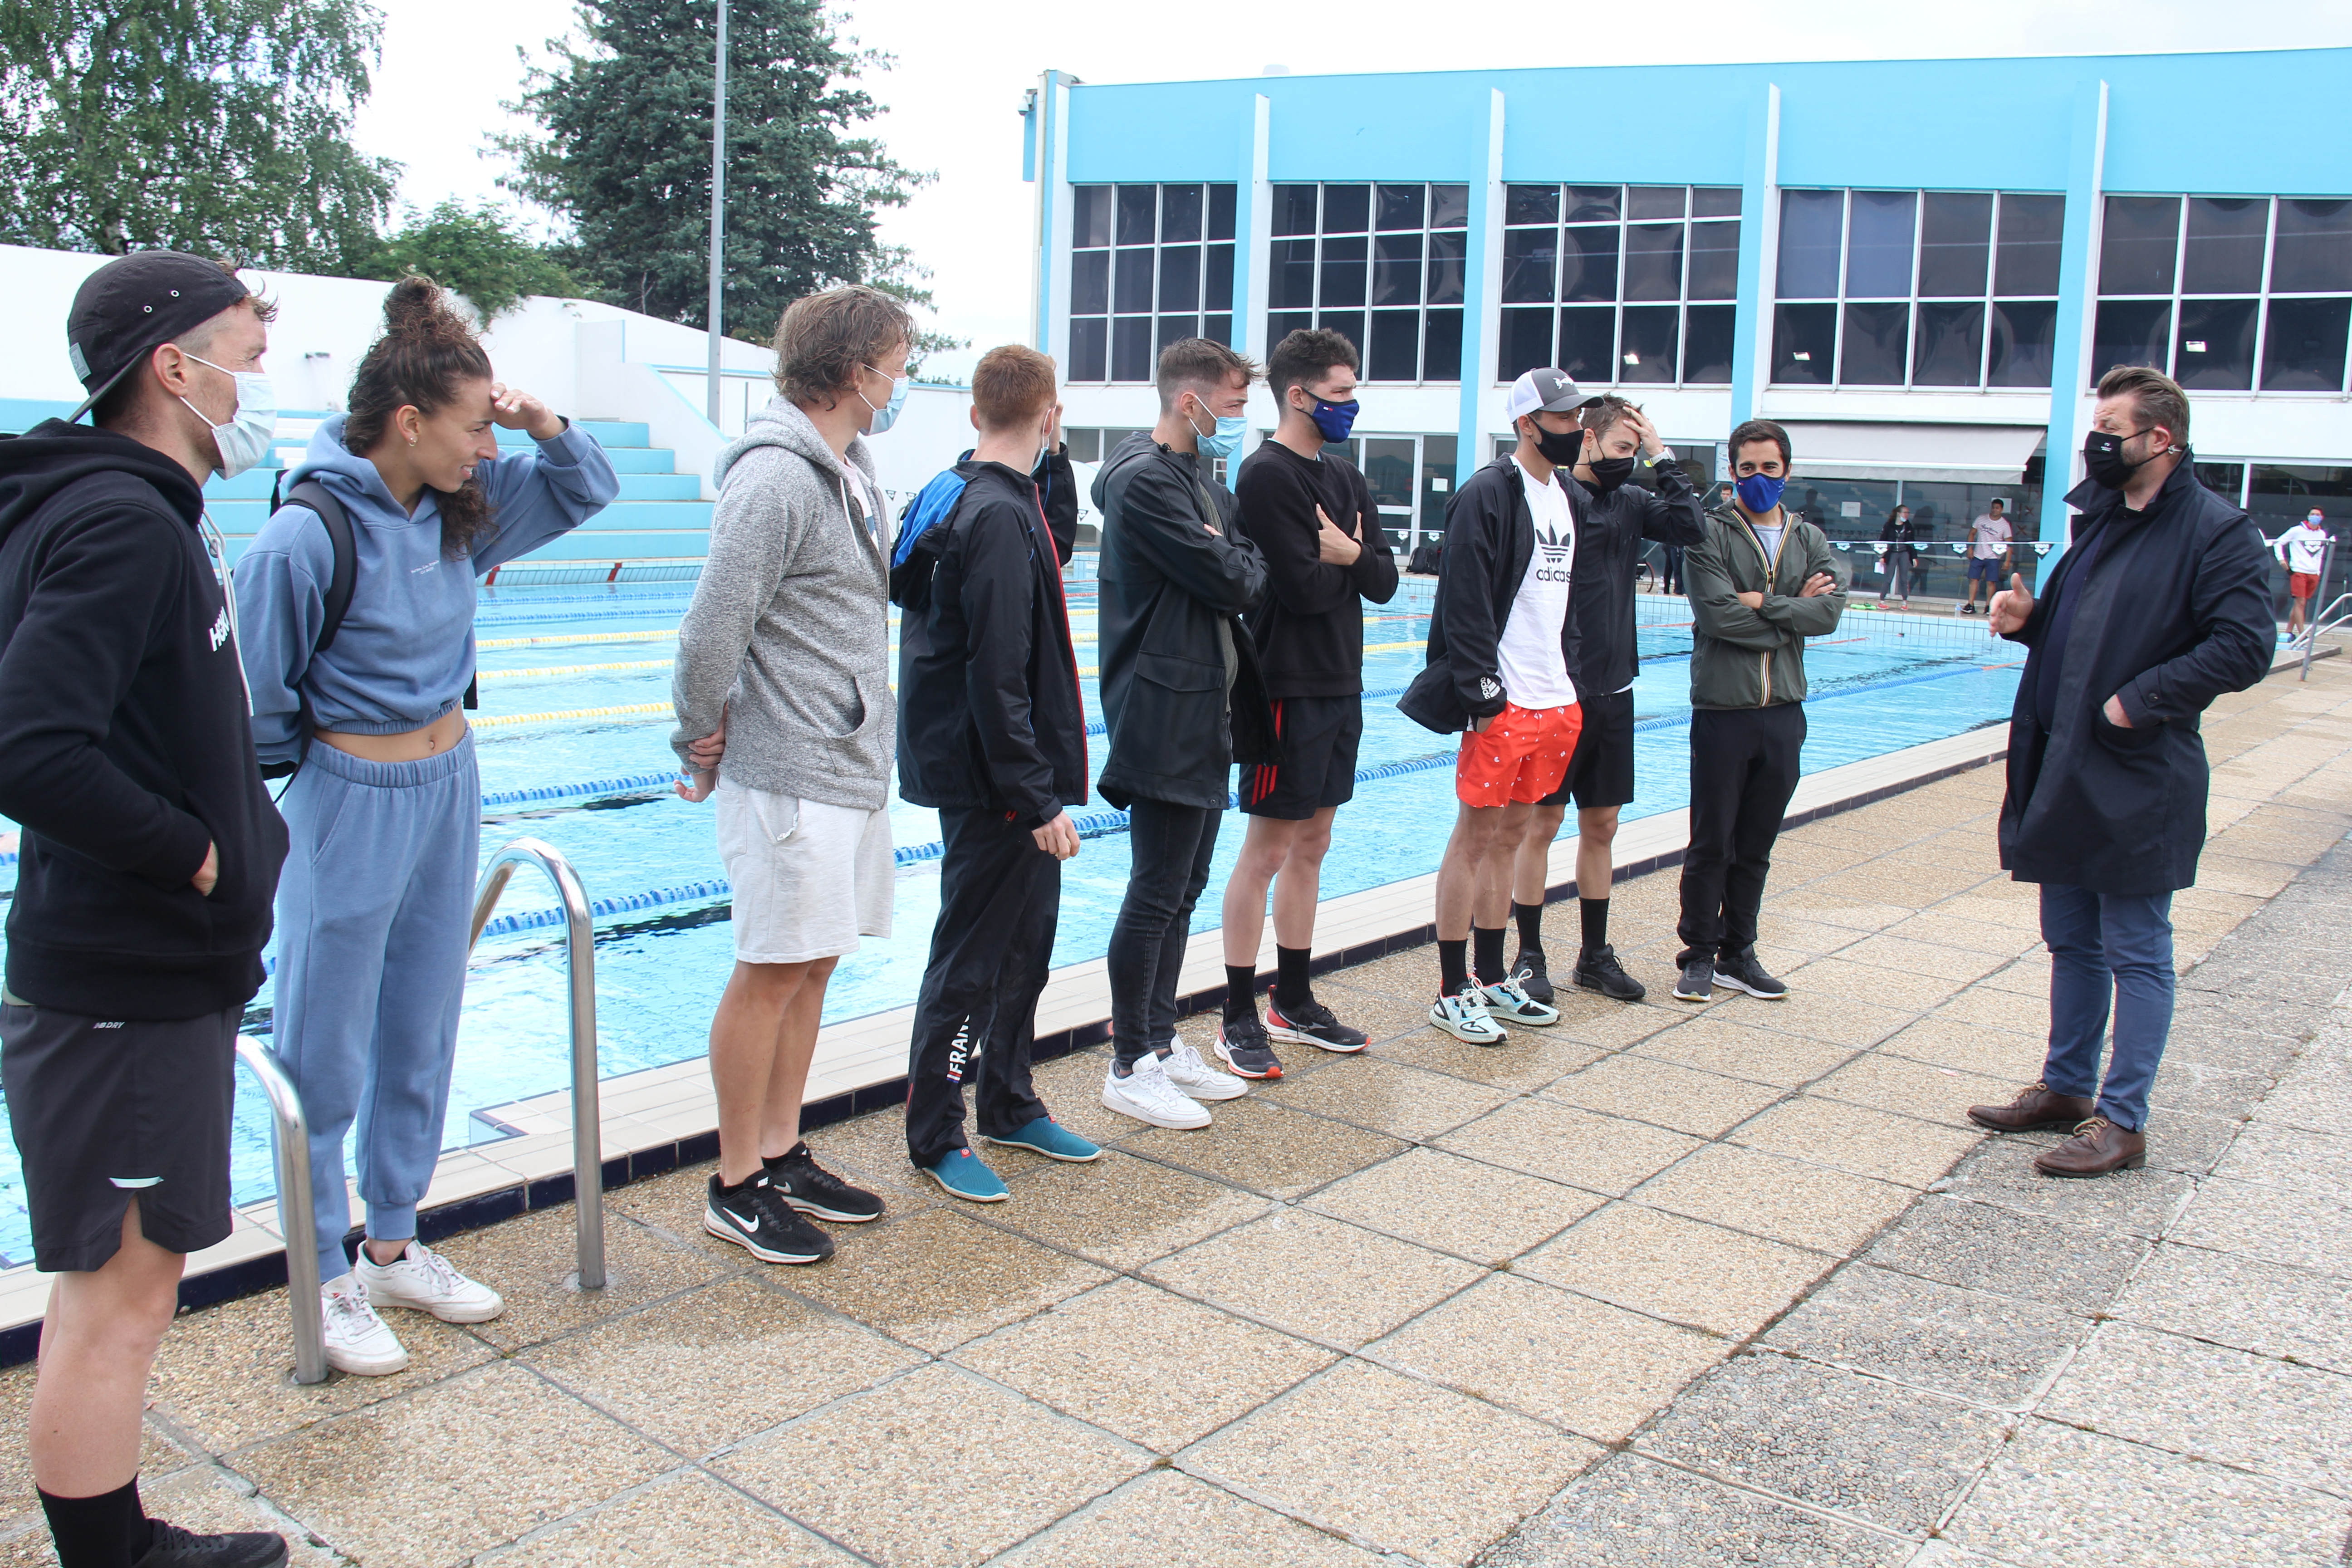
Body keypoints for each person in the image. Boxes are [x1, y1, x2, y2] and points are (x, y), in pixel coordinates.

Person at [236, 277, 618, 1373]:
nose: (486, 450)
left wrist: (535, 415)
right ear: (407, 423)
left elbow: (581, 486)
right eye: (470, 429)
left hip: (450, 780)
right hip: (350, 797)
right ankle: (325, 1273)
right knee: (320, 1041)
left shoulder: (461, 507)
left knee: (423, 1022)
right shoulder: (306, 536)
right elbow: (259, 697)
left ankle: (396, 1237)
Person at [0, 251, 293, 1567]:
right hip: (125, 979)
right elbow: (27, 745)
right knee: (117, 1299)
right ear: (176, 368)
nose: (263, 369)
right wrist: (199, 859)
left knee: (122, 1288)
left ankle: (115, 1540)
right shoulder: (123, 521)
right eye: (244, 341)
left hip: (144, 974)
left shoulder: (138, 507)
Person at [1968, 366, 2273, 1177]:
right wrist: (2031, 624)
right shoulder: (2100, 521)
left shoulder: (2214, 530)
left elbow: (2244, 646)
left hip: (2138, 773)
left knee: (2134, 947)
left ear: (2158, 439)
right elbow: (2079, 634)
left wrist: (2135, 702)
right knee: (2069, 937)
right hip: (2063, 763)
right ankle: (2065, 1087)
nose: (2094, 444)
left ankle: (2122, 1118)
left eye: (2109, 428)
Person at [671, 286, 909, 1260]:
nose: (903, 379)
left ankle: (780, 1149)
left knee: (813, 964)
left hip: (845, 761)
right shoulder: (773, 479)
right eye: (897, 361)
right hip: (786, 768)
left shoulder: (851, 469)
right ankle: (734, 1181)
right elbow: (710, 628)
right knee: (771, 968)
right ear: (855, 373)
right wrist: (696, 734)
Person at [892, 344, 1098, 1200]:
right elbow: (995, 672)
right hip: (995, 786)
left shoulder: (979, 495)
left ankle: (1008, 1100)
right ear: (1049, 419)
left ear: (975, 414)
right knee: (970, 959)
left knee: (1027, 946)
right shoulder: (994, 518)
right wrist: (1034, 796)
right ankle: (937, 1134)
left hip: (1000, 775)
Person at [1093, 337, 1273, 1126]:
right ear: (1188, 402)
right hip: (1163, 709)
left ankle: (1160, 1043)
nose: (1239, 421)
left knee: (1185, 887)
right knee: (1156, 888)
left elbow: (1244, 564)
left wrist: (1231, 554)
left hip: (1205, 706)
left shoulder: (1195, 476)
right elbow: (1237, 575)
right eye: (1232, 407)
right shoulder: (1142, 485)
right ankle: (1129, 1061)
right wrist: (1230, 555)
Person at [1214, 328, 1399, 1077]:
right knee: (1265, 850)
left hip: (1340, 683)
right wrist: (1346, 568)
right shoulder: (1265, 476)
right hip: (1285, 686)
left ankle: (1292, 998)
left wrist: (1349, 555)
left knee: (1314, 845)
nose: (1350, 406)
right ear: (1298, 394)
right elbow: (1296, 588)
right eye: (1340, 393)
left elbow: (1384, 580)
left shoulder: (1346, 479)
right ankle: (1235, 1013)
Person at [1400, 368, 1598, 1044]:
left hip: (1555, 698)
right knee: (1475, 837)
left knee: (1513, 838)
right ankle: (1452, 988)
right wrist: (1483, 692)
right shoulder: (1488, 492)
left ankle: (1490, 979)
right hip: (1505, 700)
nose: (1577, 431)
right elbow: (1464, 599)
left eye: (1578, 419)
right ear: (1526, 424)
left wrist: (1570, 678)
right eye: (1566, 419)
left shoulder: (1567, 492)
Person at [1499, 394, 1703, 1005]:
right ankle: (1528, 954)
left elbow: (1692, 527)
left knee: (1603, 823)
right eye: (1622, 448)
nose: (1629, 461)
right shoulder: (1551, 496)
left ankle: (1594, 955)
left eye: (1635, 452)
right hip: (1553, 689)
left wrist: (1662, 456)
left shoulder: (1634, 501)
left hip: (1613, 687)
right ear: (1585, 439)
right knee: (1542, 823)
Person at [1673, 419, 1846, 1004]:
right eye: (1747, 468)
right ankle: (1697, 953)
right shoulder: (1710, 533)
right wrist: (1792, 611)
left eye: (1769, 468)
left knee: (1757, 843)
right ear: (1732, 471)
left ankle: (1738, 953)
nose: (1758, 478)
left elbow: (1830, 617)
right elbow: (1720, 617)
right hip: (1725, 709)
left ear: (1787, 471)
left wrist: (1764, 603)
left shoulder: (1808, 538)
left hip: (1785, 713)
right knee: (1711, 840)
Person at [2274, 506, 2331, 640]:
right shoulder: (2297, 531)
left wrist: (2318, 571)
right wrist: (2282, 561)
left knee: (2300, 603)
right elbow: (2279, 543)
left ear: (2322, 518)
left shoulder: (2322, 534)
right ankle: (2303, 635)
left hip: (2313, 573)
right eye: (2313, 514)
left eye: (2318, 515)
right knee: (2301, 603)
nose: (2315, 517)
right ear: (2308, 516)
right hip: (2299, 571)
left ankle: (2288, 631)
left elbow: (2320, 554)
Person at [1961, 499, 2014, 614]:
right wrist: (1970, 548)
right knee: (1973, 579)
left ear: (2002, 510)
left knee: (1991, 582)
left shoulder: (2004, 524)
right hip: (1978, 555)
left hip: (1994, 557)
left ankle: (1989, 606)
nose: (1995, 510)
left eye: (1998, 508)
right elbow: (1972, 533)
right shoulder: (1981, 518)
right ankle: (1970, 604)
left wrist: (2007, 560)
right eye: (1993, 507)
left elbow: (2009, 544)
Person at [1877, 503, 1922, 606]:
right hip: (1892, 553)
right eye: (1905, 513)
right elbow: (1883, 541)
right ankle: (1882, 600)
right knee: (1889, 577)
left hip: (1904, 553)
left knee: (1904, 578)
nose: (1907, 515)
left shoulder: (1908, 526)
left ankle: (1905, 601)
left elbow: (1912, 543)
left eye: (1908, 513)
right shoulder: (1889, 525)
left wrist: (1914, 557)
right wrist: (1882, 556)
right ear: (1899, 513)